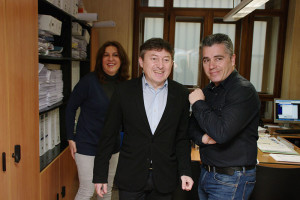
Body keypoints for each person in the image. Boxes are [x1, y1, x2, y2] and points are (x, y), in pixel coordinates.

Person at [93, 38, 194, 200]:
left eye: (166, 59)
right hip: (131, 175)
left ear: (171, 63)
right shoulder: (124, 91)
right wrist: (100, 175)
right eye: (154, 58)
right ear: (141, 61)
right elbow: (108, 134)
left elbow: (182, 138)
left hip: (165, 177)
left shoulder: (181, 94)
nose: (160, 65)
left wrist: (185, 171)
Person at [188, 33, 260, 200]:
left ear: (232, 59)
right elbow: (191, 126)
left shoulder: (243, 90)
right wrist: (204, 138)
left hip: (231, 179)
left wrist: (198, 103)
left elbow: (221, 133)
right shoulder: (209, 90)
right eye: (206, 60)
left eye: (218, 58)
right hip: (207, 173)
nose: (211, 65)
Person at [66, 41, 130, 200]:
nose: (111, 59)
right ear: (100, 59)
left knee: (106, 191)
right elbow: (70, 108)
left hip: (112, 146)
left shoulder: (124, 85)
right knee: (87, 190)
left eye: (115, 55)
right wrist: (70, 137)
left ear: (121, 59)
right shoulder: (89, 81)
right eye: (106, 55)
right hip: (88, 144)